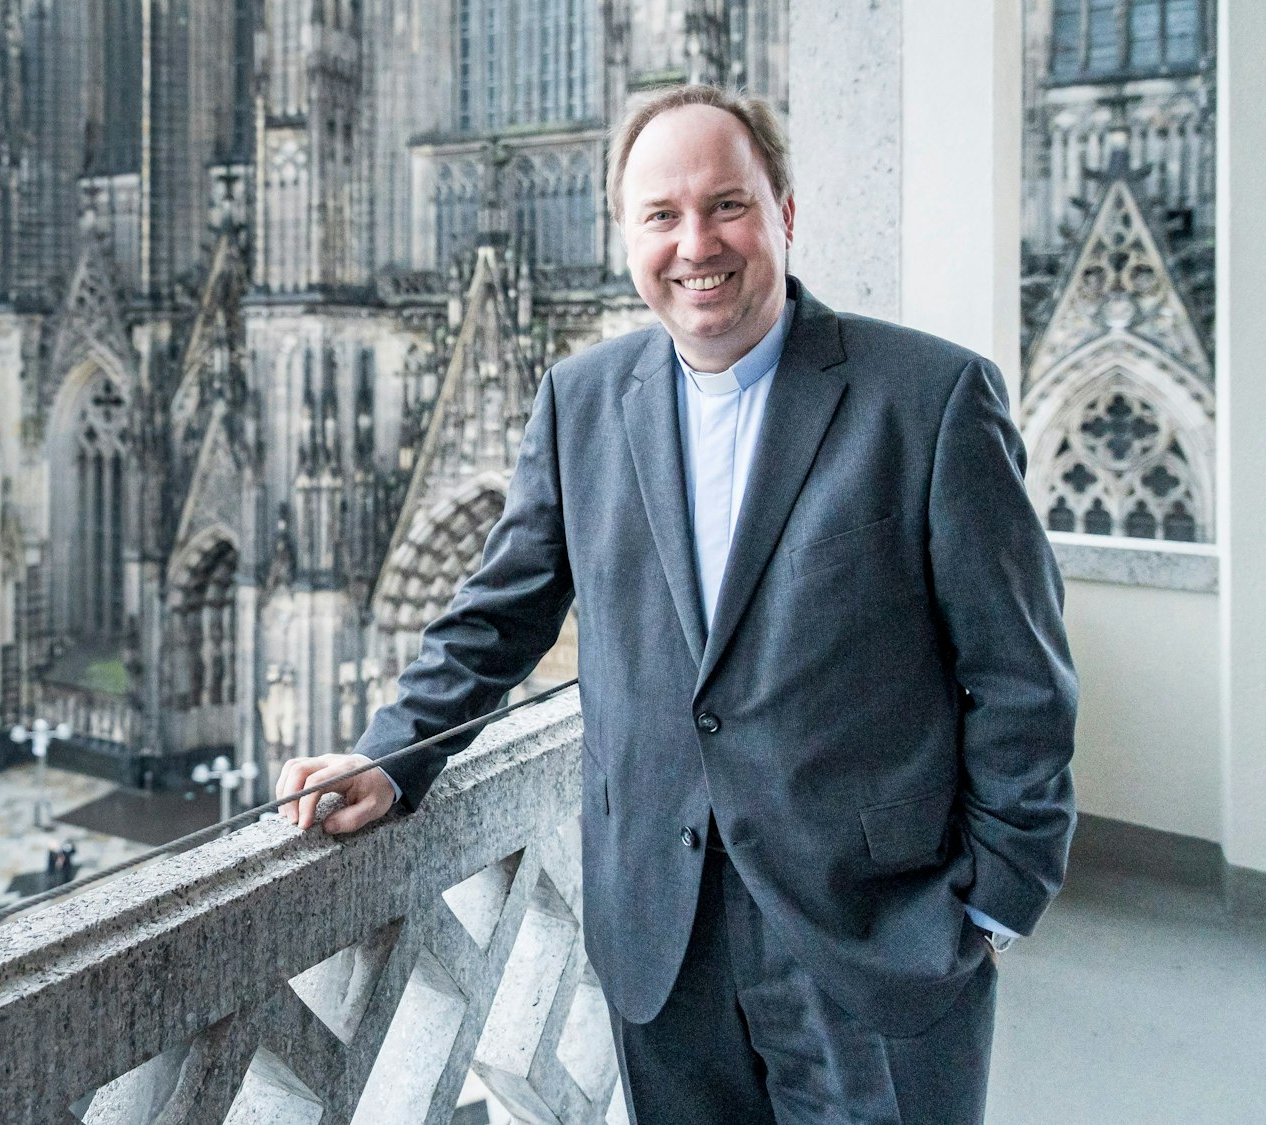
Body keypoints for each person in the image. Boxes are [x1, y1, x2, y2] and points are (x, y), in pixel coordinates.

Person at [274, 85, 1076, 1125]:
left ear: (784, 213)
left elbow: (1017, 675)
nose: (694, 243)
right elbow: (494, 615)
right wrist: (392, 753)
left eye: (725, 205)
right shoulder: (582, 401)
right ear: (625, 238)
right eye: (659, 215)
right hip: (662, 940)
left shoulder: (928, 398)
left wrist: (988, 903)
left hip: (872, 941)